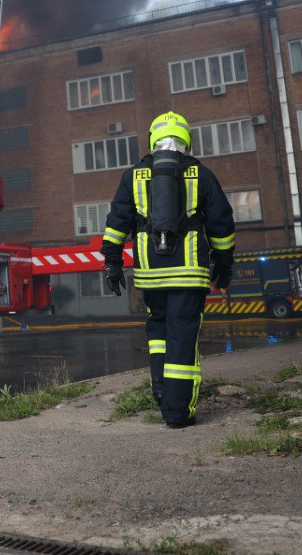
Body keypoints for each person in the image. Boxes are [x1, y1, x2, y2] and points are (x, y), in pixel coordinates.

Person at [101, 111, 235, 428]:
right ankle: (177, 412)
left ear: (152, 140)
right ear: (187, 140)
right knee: (182, 337)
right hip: (188, 274)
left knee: (158, 331)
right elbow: (221, 225)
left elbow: (117, 223)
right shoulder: (201, 175)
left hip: (150, 274)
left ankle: (161, 391)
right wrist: (224, 263)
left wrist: (113, 263)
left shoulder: (133, 176)